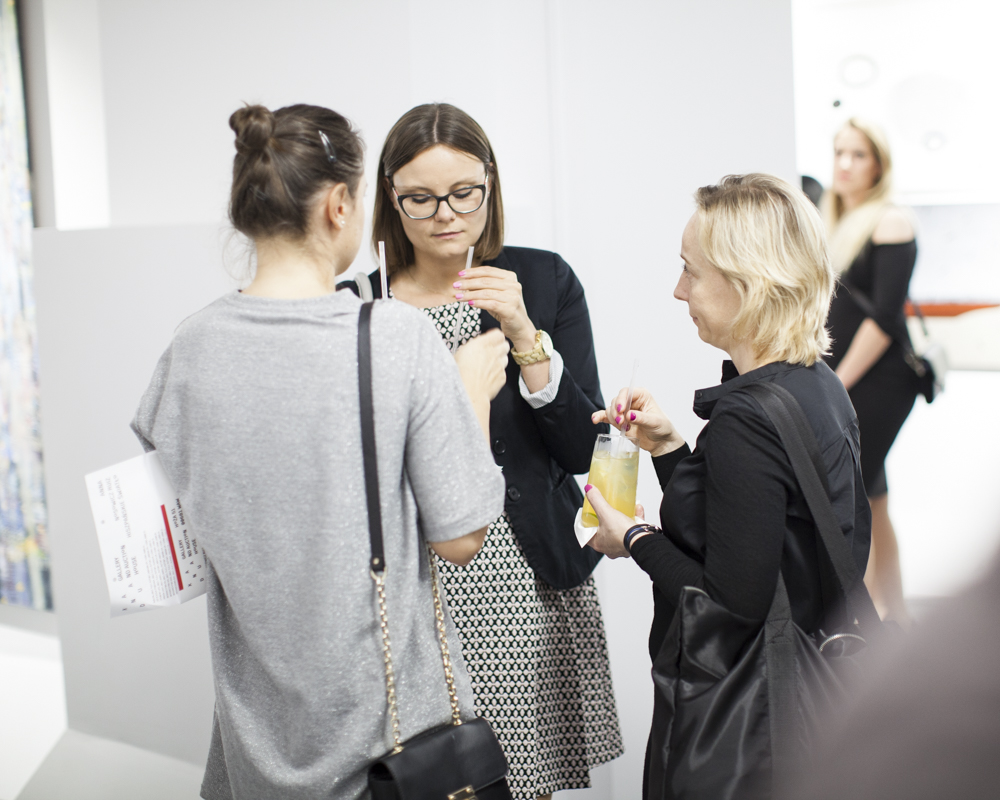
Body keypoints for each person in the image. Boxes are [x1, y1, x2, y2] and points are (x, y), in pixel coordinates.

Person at [131, 103, 508, 800]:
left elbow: (166, 551)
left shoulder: (191, 346)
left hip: (253, 748)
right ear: (339, 205)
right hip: (386, 753)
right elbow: (461, 539)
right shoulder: (394, 336)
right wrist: (472, 392)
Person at [365, 103, 623, 800]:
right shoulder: (363, 305)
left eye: (463, 193)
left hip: (523, 575)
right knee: (423, 778)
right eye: (420, 199)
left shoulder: (541, 280)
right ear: (391, 197)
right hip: (416, 580)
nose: (446, 215)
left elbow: (583, 447)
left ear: (490, 183)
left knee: (520, 775)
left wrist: (523, 332)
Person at [584, 174, 871, 798]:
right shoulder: (815, 385)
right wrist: (669, 448)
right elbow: (752, 526)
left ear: (749, 282)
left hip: (752, 734)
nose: (678, 290)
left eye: (691, 271)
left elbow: (732, 601)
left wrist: (633, 537)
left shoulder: (747, 417)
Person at [821, 118, 920, 628]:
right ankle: (893, 615)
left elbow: (884, 319)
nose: (845, 164)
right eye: (839, 152)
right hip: (850, 378)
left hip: (879, 380)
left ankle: (870, 622)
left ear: (878, 165)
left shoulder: (890, 222)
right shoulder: (838, 220)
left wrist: (837, 382)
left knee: (856, 494)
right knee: (873, 493)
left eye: (858, 155)